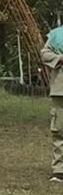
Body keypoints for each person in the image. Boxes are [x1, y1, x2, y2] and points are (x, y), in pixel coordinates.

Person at [43, 24, 63, 183]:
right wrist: (60, 58)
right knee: (59, 129)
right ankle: (59, 170)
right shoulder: (57, 35)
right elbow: (45, 54)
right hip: (60, 88)